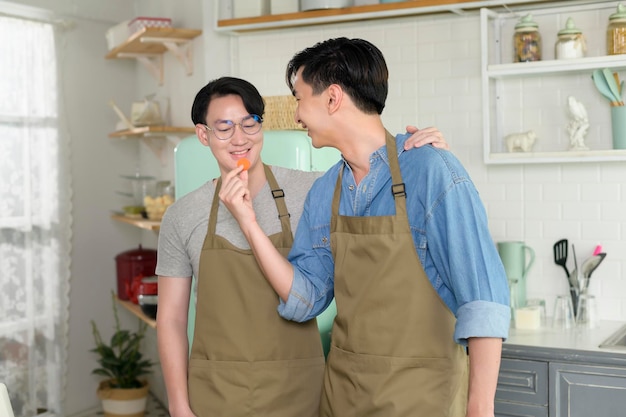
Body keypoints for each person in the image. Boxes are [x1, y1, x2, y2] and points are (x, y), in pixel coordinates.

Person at [220, 38, 510, 417]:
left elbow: (484, 301)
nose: (296, 116)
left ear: (332, 98)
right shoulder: (326, 191)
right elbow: (305, 298)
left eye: (299, 98)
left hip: (423, 400)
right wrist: (249, 223)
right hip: (344, 398)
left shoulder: (432, 172)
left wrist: (480, 409)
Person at [155, 76, 450, 417]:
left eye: (250, 123)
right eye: (224, 127)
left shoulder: (313, 191)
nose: (240, 138)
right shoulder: (182, 216)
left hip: (301, 393)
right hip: (217, 395)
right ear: (203, 135)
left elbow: (376, 182)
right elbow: (172, 320)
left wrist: (419, 153)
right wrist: (178, 405)